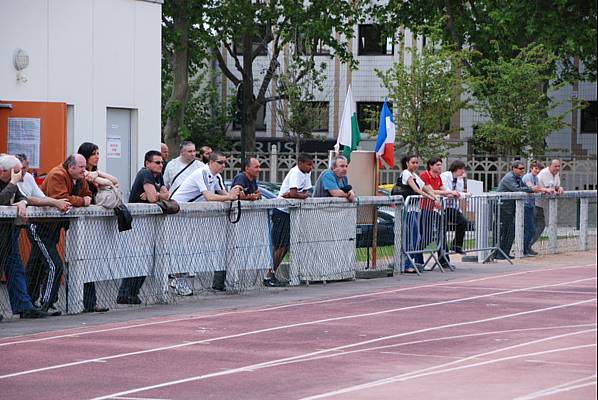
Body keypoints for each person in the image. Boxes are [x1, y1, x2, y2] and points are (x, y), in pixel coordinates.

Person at [42, 154, 110, 313]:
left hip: (61, 225)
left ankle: (87, 302)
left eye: (84, 167)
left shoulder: (80, 177)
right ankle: (44, 304)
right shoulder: (57, 175)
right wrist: (82, 201)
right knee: (51, 264)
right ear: (70, 167)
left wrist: (84, 199)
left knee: (74, 261)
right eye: (81, 167)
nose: (84, 170)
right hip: (42, 225)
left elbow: (87, 195)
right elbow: (61, 198)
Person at [172, 151, 242, 291]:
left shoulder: (217, 177)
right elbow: (209, 196)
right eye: (220, 162)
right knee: (181, 248)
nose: (223, 165)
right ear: (210, 162)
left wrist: (235, 193)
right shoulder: (202, 173)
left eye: (225, 163)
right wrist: (230, 197)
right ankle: (178, 280)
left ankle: (179, 278)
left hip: (191, 216)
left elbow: (225, 195)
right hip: (178, 214)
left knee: (190, 248)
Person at [13, 154, 71, 315]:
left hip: (37, 225)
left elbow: (40, 197)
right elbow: (26, 199)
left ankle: (30, 304)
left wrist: (53, 202)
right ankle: (43, 303)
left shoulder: (28, 179)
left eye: (25, 167)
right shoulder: (11, 181)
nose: (23, 172)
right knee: (53, 264)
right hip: (33, 225)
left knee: (34, 265)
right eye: (20, 168)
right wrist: (55, 202)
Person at [117, 150, 170, 304]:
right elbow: (155, 197)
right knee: (137, 260)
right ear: (147, 163)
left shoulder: (157, 176)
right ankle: (125, 294)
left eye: (162, 162)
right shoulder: (145, 174)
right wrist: (157, 195)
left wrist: (157, 195)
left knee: (145, 260)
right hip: (137, 225)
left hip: (147, 226)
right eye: (157, 162)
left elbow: (165, 194)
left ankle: (132, 294)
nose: (161, 165)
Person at [0, 155, 49, 319]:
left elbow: (23, 198)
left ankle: (24, 306)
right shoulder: (11, 183)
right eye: (16, 172)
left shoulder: (12, 184)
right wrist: (13, 183)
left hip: (8, 234)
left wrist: (21, 203)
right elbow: (1, 199)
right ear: (3, 171)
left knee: (15, 268)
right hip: (4, 232)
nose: (20, 175)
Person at [266, 153, 314, 287]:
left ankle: (272, 273)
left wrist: (300, 195)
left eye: (311, 164)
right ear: (300, 163)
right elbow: (293, 193)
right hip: (281, 211)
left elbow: (305, 193)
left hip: (290, 212)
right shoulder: (295, 173)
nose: (311, 167)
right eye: (308, 164)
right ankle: (269, 275)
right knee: (280, 245)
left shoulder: (306, 174)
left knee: (285, 246)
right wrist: (299, 195)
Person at [392, 155, 439, 274]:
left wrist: (433, 195)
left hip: (414, 209)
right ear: (407, 163)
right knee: (411, 236)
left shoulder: (415, 176)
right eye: (413, 162)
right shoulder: (406, 174)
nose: (415, 165)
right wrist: (430, 198)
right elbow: (416, 189)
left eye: (417, 162)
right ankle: (405, 263)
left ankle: (406, 262)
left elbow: (425, 187)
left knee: (415, 236)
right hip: (407, 210)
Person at [496, 160, 545, 259]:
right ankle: (499, 253)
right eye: (520, 168)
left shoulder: (518, 177)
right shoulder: (509, 177)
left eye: (523, 168)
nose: (522, 170)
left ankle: (505, 253)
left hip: (510, 208)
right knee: (503, 231)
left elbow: (523, 187)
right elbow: (517, 189)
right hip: (503, 207)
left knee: (511, 231)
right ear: (514, 168)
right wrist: (532, 189)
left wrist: (536, 189)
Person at [419, 157, 460, 269]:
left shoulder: (438, 177)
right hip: (425, 209)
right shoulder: (424, 176)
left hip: (437, 210)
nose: (440, 167)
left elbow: (442, 189)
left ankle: (444, 261)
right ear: (431, 166)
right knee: (425, 237)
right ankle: (418, 261)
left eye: (440, 165)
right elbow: (432, 190)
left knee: (441, 235)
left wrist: (451, 194)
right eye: (437, 165)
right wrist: (449, 192)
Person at [440, 160, 471, 255]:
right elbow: (449, 192)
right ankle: (443, 253)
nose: (463, 171)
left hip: (453, 206)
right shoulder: (445, 176)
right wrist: (463, 194)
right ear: (455, 169)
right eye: (461, 169)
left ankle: (456, 245)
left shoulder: (460, 179)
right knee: (442, 229)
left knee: (463, 221)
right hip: (443, 206)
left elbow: (458, 193)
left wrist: (460, 194)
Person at [521, 161, 552, 256]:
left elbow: (538, 188)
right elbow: (532, 188)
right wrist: (544, 189)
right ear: (531, 168)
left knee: (532, 228)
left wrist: (545, 190)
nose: (537, 171)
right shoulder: (527, 177)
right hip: (525, 205)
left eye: (539, 169)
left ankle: (526, 248)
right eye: (536, 168)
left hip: (531, 204)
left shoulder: (535, 178)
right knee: (529, 228)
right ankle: (523, 249)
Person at [533, 159, 564, 247]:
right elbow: (549, 188)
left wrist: (560, 188)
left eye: (559, 166)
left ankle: (527, 246)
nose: (557, 168)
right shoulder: (545, 173)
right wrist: (555, 189)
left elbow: (556, 186)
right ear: (550, 166)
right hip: (536, 203)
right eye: (555, 166)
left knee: (539, 225)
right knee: (539, 225)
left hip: (543, 204)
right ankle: (526, 246)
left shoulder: (556, 173)